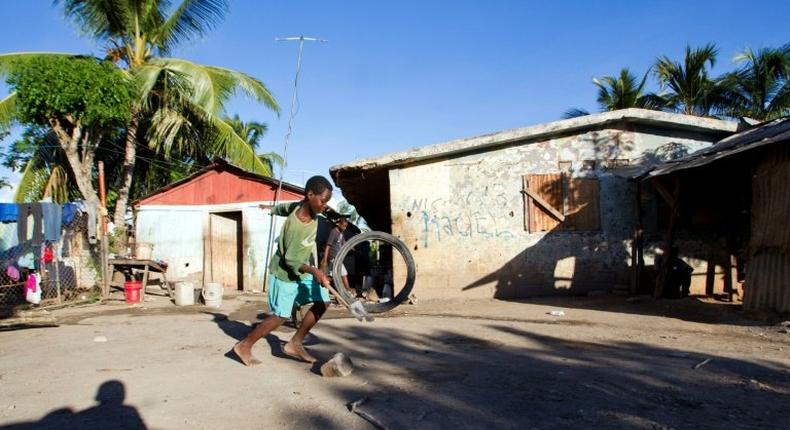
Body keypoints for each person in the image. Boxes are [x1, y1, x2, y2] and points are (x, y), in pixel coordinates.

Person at [233, 176, 333, 367]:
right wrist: (316, 271)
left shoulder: (304, 206)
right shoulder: (295, 225)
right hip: (286, 272)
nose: (325, 206)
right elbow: (290, 261)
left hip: (302, 270)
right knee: (281, 315)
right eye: (323, 201)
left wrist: (271, 209)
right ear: (310, 195)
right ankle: (244, 345)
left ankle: (295, 343)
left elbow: (285, 207)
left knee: (323, 301)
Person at [320, 215, 351, 293]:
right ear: (338, 224)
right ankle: (348, 291)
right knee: (344, 273)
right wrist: (325, 259)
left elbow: (344, 242)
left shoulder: (341, 233)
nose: (345, 228)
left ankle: (320, 283)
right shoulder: (334, 232)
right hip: (334, 257)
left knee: (332, 276)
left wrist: (352, 246)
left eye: (346, 226)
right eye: (343, 226)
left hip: (338, 257)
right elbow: (328, 246)